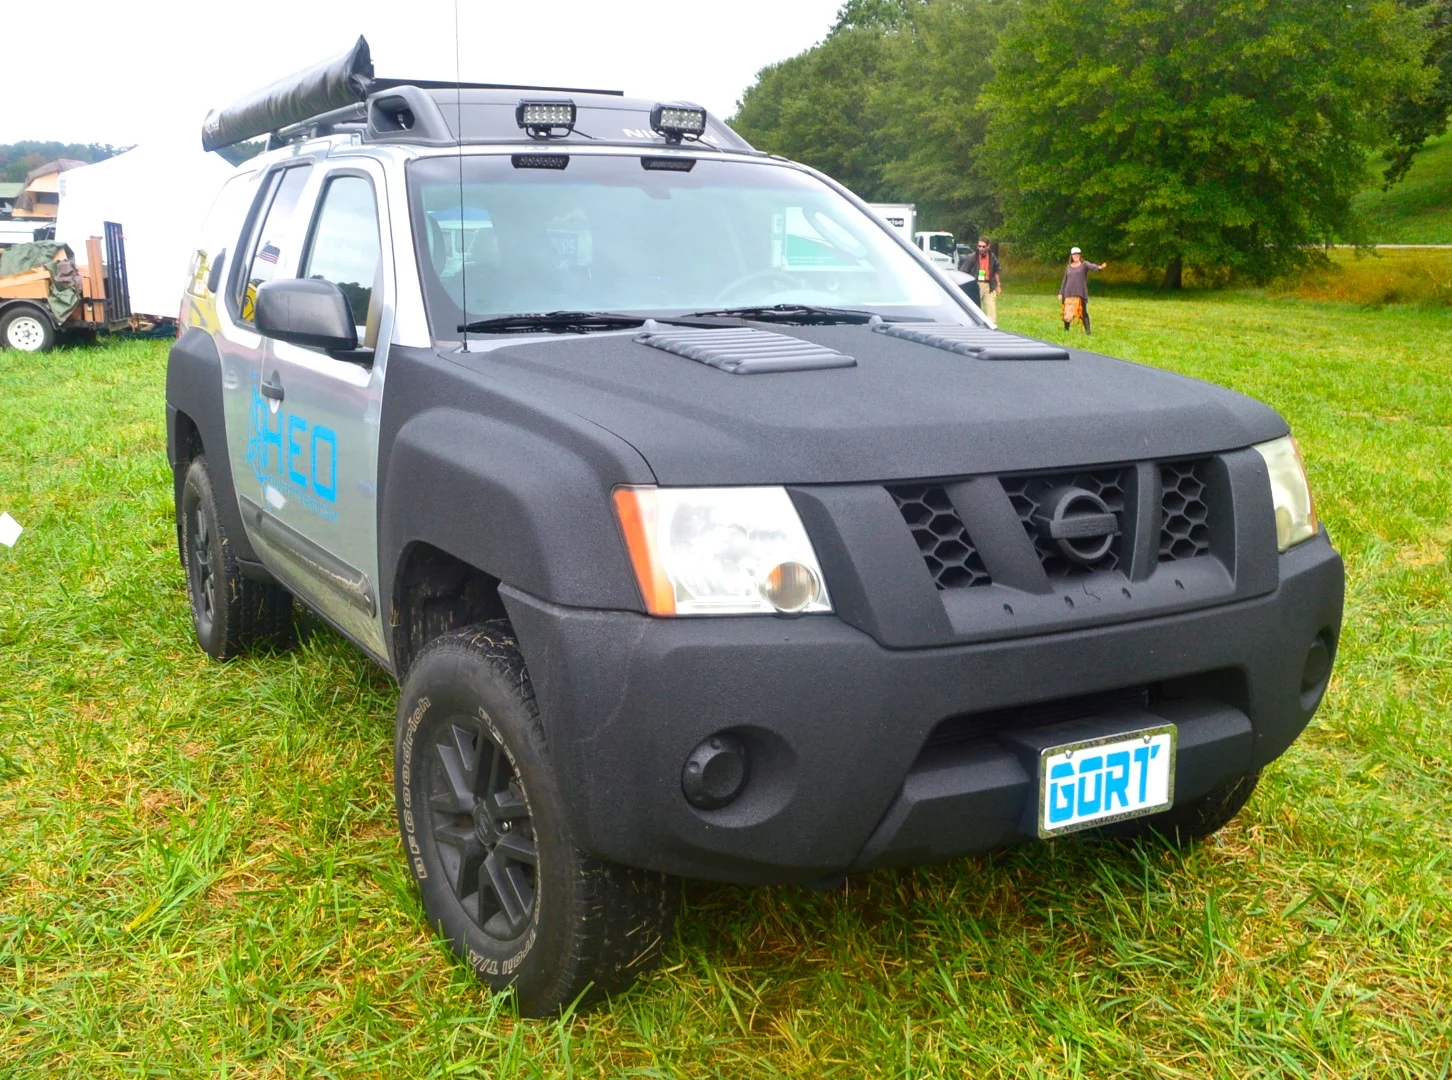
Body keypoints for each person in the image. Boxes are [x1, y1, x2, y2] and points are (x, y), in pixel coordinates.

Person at [1058, 247, 1107, 334]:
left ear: (1080, 255)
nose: (1076, 256)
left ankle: (1088, 331)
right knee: (1068, 312)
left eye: (1077, 254)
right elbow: (1064, 280)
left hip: (1080, 293)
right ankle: (1066, 330)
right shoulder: (1068, 267)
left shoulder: (1084, 264)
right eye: (1074, 254)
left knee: (1083, 312)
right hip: (1068, 293)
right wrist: (1061, 292)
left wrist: (1099, 267)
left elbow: (1092, 267)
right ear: (1071, 256)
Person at [958, 237, 1002, 320]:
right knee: (975, 308)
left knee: (991, 309)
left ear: (988, 246)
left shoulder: (992, 257)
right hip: (976, 285)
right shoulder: (972, 257)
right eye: (979, 246)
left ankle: (992, 328)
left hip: (989, 285)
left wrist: (998, 285)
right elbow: (963, 272)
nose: (981, 248)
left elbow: (996, 271)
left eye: (983, 246)